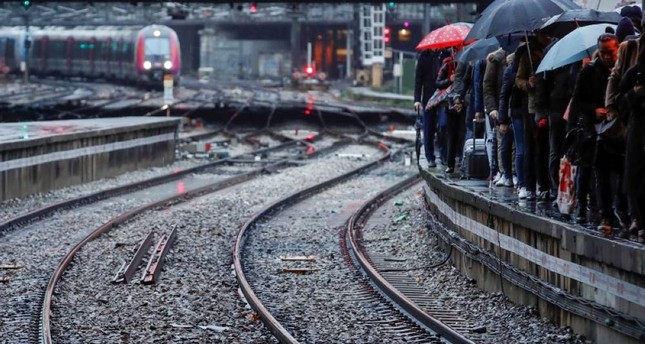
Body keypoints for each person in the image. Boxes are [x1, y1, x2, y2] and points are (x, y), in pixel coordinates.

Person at [516, 32, 551, 201]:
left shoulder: (554, 50)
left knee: (545, 149)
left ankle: (545, 185)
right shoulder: (527, 55)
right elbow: (518, 80)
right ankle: (530, 186)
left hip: (549, 105)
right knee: (531, 148)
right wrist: (528, 83)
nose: (547, 37)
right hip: (532, 107)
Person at [616, 44, 645, 242]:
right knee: (636, 177)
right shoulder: (634, 73)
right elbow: (620, 100)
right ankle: (640, 220)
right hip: (638, 132)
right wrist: (635, 94)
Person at [484, 48, 512, 187]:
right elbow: (488, 86)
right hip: (500, 106)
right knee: (502, 142)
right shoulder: (495, 59)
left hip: (512, 105)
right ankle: (504, 172)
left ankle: (511, 173)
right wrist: (492, 108)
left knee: (511, 144)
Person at [414, 50, 441, 168]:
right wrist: (417, 99)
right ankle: (430, 157)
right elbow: (418, 80)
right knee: (428, 128)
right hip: (428, 98)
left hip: (442, 96)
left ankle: (444, 154)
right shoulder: (423, 57)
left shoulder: (444, 54)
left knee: (442, 126)